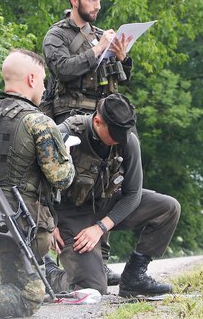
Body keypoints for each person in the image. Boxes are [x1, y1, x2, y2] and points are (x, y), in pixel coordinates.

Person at [42, 0, 133, 286]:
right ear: (74, 0)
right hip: (70, 123)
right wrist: (97, 50)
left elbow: (117, 78)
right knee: (73, 191)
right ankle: (54, 257)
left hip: (102, 123)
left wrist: (122, 57)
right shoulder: (57, 35)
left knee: (105, 185)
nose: (97, 4)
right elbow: (62, 69)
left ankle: (101, 262)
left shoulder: (98, 35)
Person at [49, 93, 181, 296]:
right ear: (97, 121)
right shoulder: (64, 133)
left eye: (123, 136)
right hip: (70, 213)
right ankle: (51, 276)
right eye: (115, 135)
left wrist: (100, 227)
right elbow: (37, 183)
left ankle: (134, 277)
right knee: (92, 289)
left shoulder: (127, 140)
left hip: (104, 205)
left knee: (168, 207)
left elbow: (133, 194)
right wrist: (49, 223)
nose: (119, 141)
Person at [0, 49, 75, 318]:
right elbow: (62, 178)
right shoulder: (38, 122)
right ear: (32, 79)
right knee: (29, 297)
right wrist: (66, 154)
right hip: (18, 223)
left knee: (11, 282)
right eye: (44, 80)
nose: (45, 87)